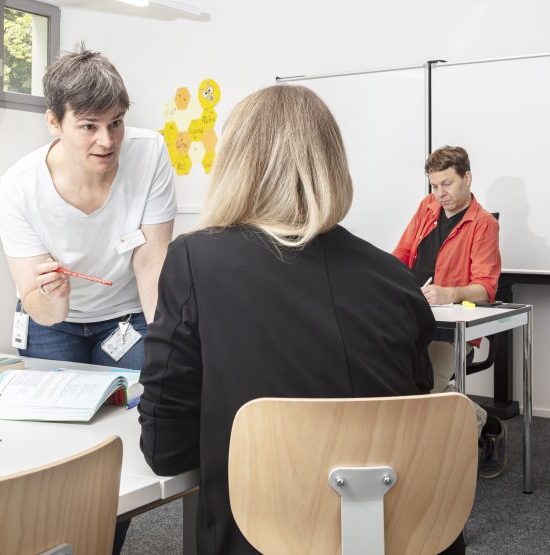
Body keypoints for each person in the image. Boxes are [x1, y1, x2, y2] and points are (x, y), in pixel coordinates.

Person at [138, 85, 466, 555]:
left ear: (234, 165)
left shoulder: (195, 261)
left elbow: (166, 451)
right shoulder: (395, 279)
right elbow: (407, 415)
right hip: (400, 536)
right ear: (333, 164)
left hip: (260, 535)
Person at [0, 49, 176, 370]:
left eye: (116, 123)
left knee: (145, 395)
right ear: (54, 122)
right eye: (89, 127)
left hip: (126, 317)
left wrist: (167, 345)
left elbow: (152, 264)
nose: (107, 141)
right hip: (52, 323)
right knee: (59, 409)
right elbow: (37, 301)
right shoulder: (19, 185)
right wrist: (54, 298)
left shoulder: (149, 153)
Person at [392, 145, 506, 479]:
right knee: (390, 378)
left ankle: (487, 423)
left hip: (449, 331)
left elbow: (485, 288)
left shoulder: (483, 225)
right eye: (434, 185)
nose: (439, 193)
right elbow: (400, 255)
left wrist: (450, 293)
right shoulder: (427, 208)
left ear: (467, 178)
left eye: (447, 184)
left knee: (428, 391)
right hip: (412, 319)